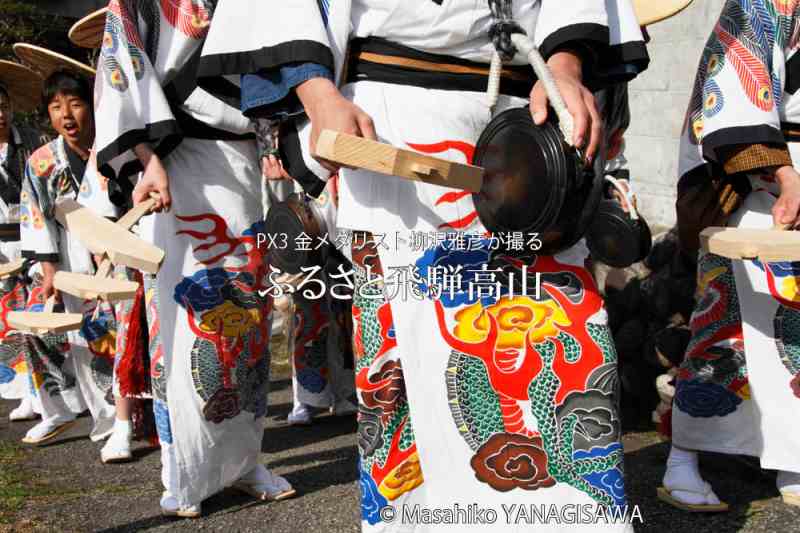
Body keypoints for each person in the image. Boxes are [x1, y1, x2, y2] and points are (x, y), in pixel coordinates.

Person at [203, 1, 648, 530]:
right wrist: (316, 91)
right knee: (404, 353)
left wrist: (566, 64)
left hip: (529, 124)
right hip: (393, 120)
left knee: (561, 342)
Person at [93, 0, 295, 517]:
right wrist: (147, 158)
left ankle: (245, 460)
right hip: (176, 159)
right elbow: (125, 66)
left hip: (241, 158)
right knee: (182, 322)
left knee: (246, 319)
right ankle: (182, 472)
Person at [661, 1, 800, 511]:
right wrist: (782, 174)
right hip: (761, 177)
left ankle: (794, 461)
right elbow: (731, 84)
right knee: (725, 330)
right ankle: (681, 461)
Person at [18, 69, 120, 446]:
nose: (67, 115)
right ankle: (68, 410)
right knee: (52, 329)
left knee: (115, 335)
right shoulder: (42, 160)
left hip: (117, 252)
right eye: (56, 106)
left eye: (75, 104)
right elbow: (36, 216)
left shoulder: (114, 145)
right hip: (69, 256)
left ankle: (126, 415)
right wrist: (49, 272)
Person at [0, 65, 50, 422]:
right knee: (5, 321)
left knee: (35, 319)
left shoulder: (32, 140)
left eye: (3, 105)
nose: (0, 114)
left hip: (30, 240)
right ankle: (16, 390)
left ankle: (40, 392)